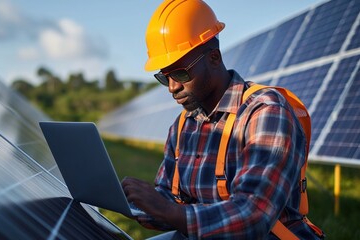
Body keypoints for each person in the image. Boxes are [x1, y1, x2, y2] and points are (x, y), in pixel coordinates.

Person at [121, 0, 324, 239]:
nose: (173, 87)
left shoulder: (265, 111)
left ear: (214, 58)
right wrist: (133, 204)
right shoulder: (181, 126)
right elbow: (169, 199)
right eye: (164, 77)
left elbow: (254, 216)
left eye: (180, 73)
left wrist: (170, 212)